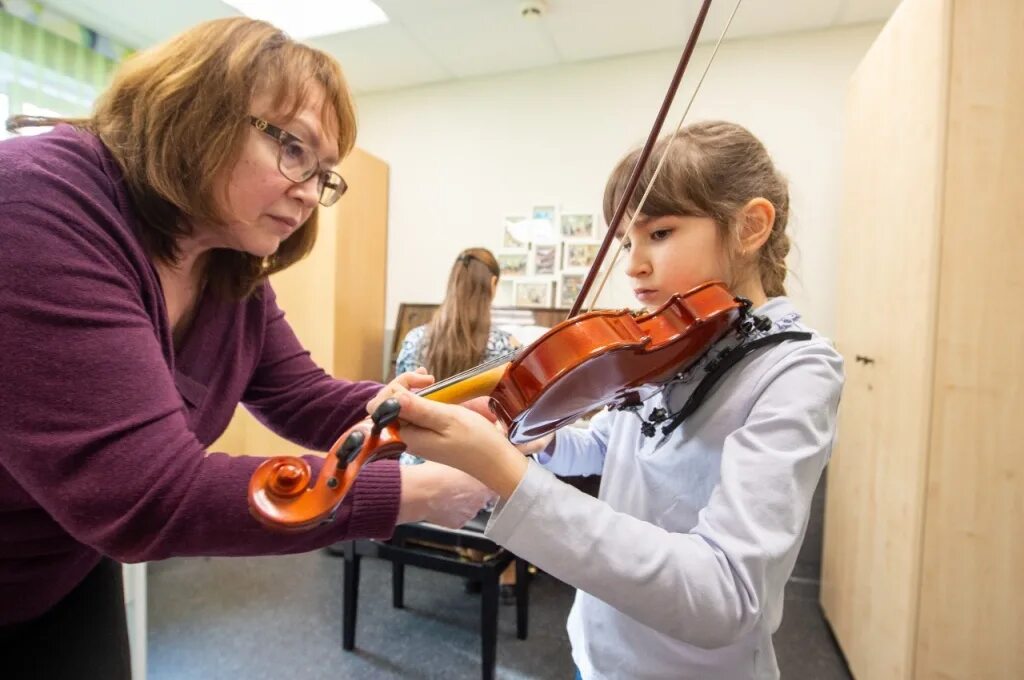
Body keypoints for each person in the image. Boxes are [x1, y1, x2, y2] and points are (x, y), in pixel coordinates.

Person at [0, 17, 492, 678]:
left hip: (59, 565)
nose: (311, 194)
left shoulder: (227, 269)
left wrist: (434, 408)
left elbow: (303, 396)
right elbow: (149, 495)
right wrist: (417, 496)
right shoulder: (35, 198)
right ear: (198, 111)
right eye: (295, 151)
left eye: (325, 176)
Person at [368, 121, 845, 679]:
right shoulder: (678, 340)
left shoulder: (794, 369)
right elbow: (611, 443)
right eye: (626, 242)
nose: (632, 264)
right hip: (596, 648)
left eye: (659, 234)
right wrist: (539, 442)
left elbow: (727, 595)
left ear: (751, 226)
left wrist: (505, 471)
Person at [394, 247, 521, 600]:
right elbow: (515, 417)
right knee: (519, 463)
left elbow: (400, 404)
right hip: (471, 476)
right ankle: (506, 573)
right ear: (492, 285)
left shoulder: (415, 338)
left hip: (417, 467)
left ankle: (471, 551)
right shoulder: (506, 345)